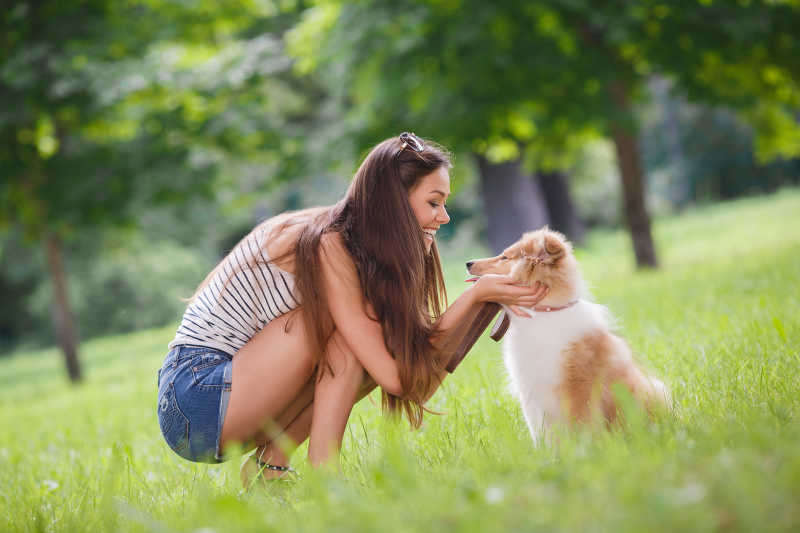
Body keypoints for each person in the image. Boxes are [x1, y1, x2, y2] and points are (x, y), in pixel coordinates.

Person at [156, 132, 549, 487]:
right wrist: (474, 297)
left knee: (369, 343)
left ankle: (269, 471)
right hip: (195, 396)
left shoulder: (371, 254)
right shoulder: (328, 243)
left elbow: (414, 374)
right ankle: (327, 479)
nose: (443, 217)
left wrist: (480, 301)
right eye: (434, 203)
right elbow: (396, 378)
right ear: (394, 201)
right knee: (356, 341)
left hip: (231, 397)